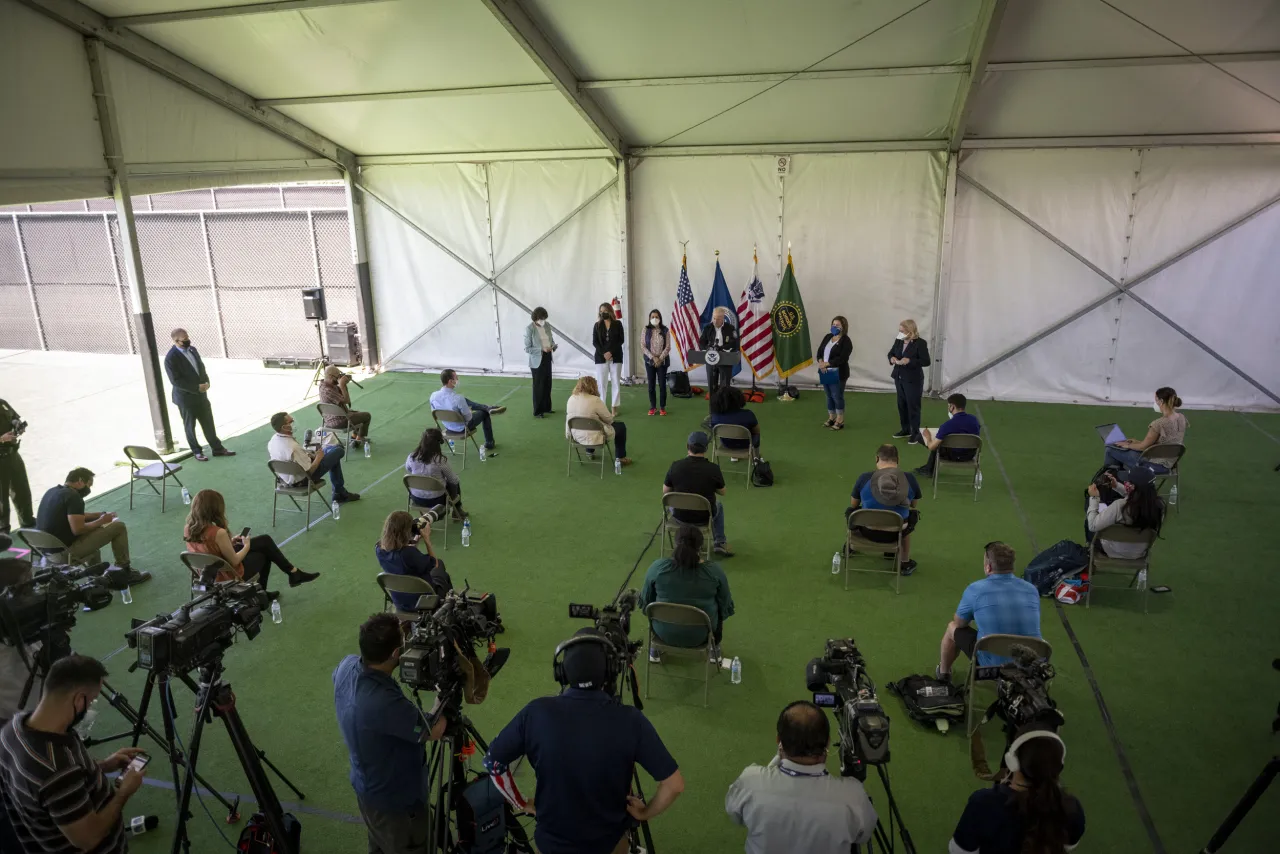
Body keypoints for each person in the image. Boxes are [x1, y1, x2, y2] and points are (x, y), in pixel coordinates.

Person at [484, 630, 685, 854]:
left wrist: (521, 802)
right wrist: (644, 812)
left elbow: (493, 762)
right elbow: (674, 785)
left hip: (550, 845)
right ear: (610, 671)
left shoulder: (535, 712)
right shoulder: (631, 720)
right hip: (609, 845)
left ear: (562, 672)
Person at [0, 654, 146, 854]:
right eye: (92, 700)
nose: (89, 707)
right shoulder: (56, 769)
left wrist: (104, 765)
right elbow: (88, 838)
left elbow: (53, 789)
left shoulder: (12, 730)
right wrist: (123, 793)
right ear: (78, 699)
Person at [333, 614, 447, 854]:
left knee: (380, 845)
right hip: (398, 804)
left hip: (368, 791)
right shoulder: (384, 704)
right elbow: (433, 730)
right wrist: (443, 698)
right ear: (396, 653)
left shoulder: (346, 666)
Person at [725, 701, 877, 854]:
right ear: (828, 742)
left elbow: (735, 815)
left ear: (779, 741)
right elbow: (863, 836)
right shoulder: (852, 795)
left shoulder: (750, 781)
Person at [950, 729, 1085, 854]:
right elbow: (1068, 846)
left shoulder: (983, 803)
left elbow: (959, 850)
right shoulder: (1072, 808)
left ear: (1012, 762)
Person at [183, 488, 318, 598]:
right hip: (227, 576)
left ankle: (293, 573)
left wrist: (230, 542)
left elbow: (209, 549)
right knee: (265, 554)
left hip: (207, 574)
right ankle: (264, 593)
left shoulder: (189, 528)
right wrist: (246, 546)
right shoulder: (218, 532)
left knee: (264, 540)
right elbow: (235, 561)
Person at [936, 542, 1041, 681]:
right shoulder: (1032, 589)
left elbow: (959, 623)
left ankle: (944, 673)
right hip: (1032, 664)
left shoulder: (976, 589)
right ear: (1012, 566)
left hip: (993, 667)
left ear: (988, 567)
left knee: (952, 627)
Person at [639, 525, 734, 663]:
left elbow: (645, 602)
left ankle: (655, 648)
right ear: (700, 547)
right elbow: (725, 606)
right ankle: (715, 649)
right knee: (718, 607)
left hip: (663, 632)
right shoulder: (714, 572)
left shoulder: (657, 568)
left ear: (676, 544)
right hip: (701, 635)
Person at [35, 468, 148, 584]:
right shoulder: (74, 497)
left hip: (46, 553)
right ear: (80, 481)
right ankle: (124, 571)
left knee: (94, 543)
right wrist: (101, 521)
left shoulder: (53, 492)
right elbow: (78, 529)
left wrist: (99, 515)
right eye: (89, 485)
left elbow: (74, 516)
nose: (89, 489)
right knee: (118, 527)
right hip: (63, 554)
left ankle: (96, 579)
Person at [163, 328, 235, 462]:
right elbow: (175, 381)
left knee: (208, 422)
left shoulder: (193, 350)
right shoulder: (170, 358)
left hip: (201, 395)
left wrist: (206, 382)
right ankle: (196, 451)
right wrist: (196, 388)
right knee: (190, 426)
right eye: (184, 340)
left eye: (187, 337)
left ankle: (217, 448)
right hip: (186, 399)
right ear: (175, 341)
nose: (187, 341)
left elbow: (201, 367)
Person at [847, 445, 921, 575]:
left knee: (852, 512)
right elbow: (914, 504)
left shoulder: (864, 477)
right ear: (897, 459)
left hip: (867, 530)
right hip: (896, 532)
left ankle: (850, 545)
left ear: (877, 458)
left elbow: (853, 503)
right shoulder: (909, 478)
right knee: (911, 515)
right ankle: (904, 561)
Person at [664, 431, 733, 556]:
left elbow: (665, 491)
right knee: (719, 505)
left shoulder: (675, 466)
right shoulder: (713, 469)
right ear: (706, 448)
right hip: (704, 517)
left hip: (679, 516)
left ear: (687, 446)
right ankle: (720, 542)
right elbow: (723, 492)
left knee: (672, 503)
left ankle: (682, 541)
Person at [267, 411, 360, 503]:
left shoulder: (273, 441)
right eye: (290, 422)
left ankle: (339, 492)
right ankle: (339, 492)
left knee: (331, 452)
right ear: (284, 427)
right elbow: (309, 471)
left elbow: (291, 459)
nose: (293, 423)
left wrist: (309, 455)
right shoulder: (292, 447)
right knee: (338, 450)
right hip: (304, 480)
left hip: (286, 479)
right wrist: (318, 457)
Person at [374, 511, 453, 611]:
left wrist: (416, 538)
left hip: (400, 601)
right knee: (440, 567)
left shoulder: (379, 549)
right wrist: (427, 539)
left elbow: (403, 555)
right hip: (423, 601)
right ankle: (449, 606)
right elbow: (434, 563)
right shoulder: (409, 554)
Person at [1086, 466, 1164, 558]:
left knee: (1089, 517)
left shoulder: (1120, 506)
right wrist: (1117, 486)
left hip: (1113, 550)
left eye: (1129, 481)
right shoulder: (1159, 506)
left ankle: (1088, 554)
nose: (1126, 482)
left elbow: (1092, 525)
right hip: (1139, 553)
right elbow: (1138, 498)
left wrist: (1094, 498)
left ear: (1134, 487)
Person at [1104, 386, 1187, 472]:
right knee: (1124, 450)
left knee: (1110, 449)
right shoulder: (1182, 418)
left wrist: (1127, 446)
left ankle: (1109, 480)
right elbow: (1167, 442)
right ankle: (1119, 480)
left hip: (1154, 464)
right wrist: (1137, 442)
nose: (1155, 403)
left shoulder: (1158, 424)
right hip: (1171, 463)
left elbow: (1143, 448)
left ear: (1161, 401)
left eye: (1156, 400)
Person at [429, 369, 506, 453]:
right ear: (451, 381)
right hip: (462, 428)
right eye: (456, 378)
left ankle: (488, 407)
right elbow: (468, 418)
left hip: (448, 427)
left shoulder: (433, 396)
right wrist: (469, 410)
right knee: (484, 413)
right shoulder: (458, 398)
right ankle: (489, 442)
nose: (458, 380)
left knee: (463, 401)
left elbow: (435, 413)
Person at [404, 427, 468, 521]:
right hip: (437, 501)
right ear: (438, 443)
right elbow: (453, 480)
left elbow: (408, 469)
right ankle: (457, 509)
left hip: (416, 498)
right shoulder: (440, 460)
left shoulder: (412, 456)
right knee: (454, 481)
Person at [566, 376, 631, 467]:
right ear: (593, 386)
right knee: (620, 426)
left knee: (588, 424)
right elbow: (609, 419)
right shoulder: (595, 400)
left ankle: (589, 451)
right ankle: (620, 458)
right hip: (594, 435)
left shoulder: (571, 398)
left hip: (575, 435)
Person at [914, 393, 981, 477]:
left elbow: (931, 447)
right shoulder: (974, 420)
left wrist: (928, 437)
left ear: (952, 406)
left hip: (952, 456)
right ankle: (928, 468)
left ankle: (928, 470)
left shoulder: (947, 425)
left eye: (949, 406)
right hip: (969, 455)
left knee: (927, 440)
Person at [887, 318, 930, 444]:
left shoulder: (920, 343)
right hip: (899, 377)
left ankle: (915, 432)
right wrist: (892, 358)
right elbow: (890, 353)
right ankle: (905, 429)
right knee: (902, 405)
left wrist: (909, 361)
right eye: (899, 330)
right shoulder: (899, 340)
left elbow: (926, 361)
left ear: (910, 331)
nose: (900, 333)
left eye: (902, 331)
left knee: (913, 406)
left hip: (913, 380)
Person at [0, 398, 34, 534]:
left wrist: (17, 424)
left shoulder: (2, 403)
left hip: (13, 454)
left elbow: (13, 417)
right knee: (1, 499)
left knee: (22, 490)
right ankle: (3, 531)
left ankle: (28, 522)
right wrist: (1, 438)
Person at [814, 316, 853, 430]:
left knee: (837, 396)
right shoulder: (828, 337)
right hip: (824, 371)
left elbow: (843, 358)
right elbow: (820, 352)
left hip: (838, 373)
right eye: (833, 325)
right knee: (829, 396)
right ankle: (831, 417)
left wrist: (828, 363)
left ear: (843, 327)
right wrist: (821, 362)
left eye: (837, 325)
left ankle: (840, 419)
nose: (834, 327)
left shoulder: (846, 340)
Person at [318, 365, 371, 445]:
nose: (338, 378)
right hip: (340, 421)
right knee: (366, 416)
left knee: (357, 413)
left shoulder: (324, 385)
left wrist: (343, 384)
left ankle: (354, 437)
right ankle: (358, 440)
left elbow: (342, 394)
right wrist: (342, 384)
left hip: (329, 420)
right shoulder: (328, 390)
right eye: (337, 376)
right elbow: (346, 400)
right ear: (330, 376)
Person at [524, 306, 558, 418]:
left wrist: (553, 345)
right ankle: (538, 411)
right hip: (537, 359)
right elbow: (527, 348)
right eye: (541, 318)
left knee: (548, 384)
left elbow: (550, 339)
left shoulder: (547, 325)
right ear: (536, 318)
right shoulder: (530, 329)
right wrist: (541, 349)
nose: (543, 320)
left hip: (547, 356)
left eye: (544, 318)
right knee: (539, 385)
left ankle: (547, 407)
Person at [709, 385, 760, 459]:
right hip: (746, 444)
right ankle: (756, 458)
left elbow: (713, 430)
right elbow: (757, 431)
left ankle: (734, 456)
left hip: (726, 444)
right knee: (757, 435)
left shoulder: (715, 416)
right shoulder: (748, 414)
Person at [699, 306, 740, 398]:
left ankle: (724, 407)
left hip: (725, 359)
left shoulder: (730, 328)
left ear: (723, 318)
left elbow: (735, 343)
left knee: (725, 387)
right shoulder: (708, 328)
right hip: (711, 359)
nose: (715, 320)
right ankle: (712, 409)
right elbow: (701, 342)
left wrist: (722, 348)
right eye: (714, 318)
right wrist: (708, 348)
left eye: (718, 318)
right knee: (711, 386)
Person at [592, 302, 624, 409]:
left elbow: (621, 340)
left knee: (615, 382)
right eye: (601, 311)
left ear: (610, 311)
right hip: (601, 358)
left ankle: (615, 406)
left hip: (616, 357)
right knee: (601, 383)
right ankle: (602, 407)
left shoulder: (618, 324)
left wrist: (611, 352)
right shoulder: (597, 325)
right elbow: (595, 342)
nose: (603, 313)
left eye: (605, 311)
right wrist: (604, 353)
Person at [643, 309, 671, 416]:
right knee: (651, 385)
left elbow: (668, 347)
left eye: (656, 316)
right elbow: (643, 346)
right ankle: (653, 407)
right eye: (652, 317)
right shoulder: (645, 330)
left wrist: (660, 358)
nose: (654, 319)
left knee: (662, 385)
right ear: (649, 319)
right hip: (650, 361)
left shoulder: (665, 330)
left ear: (660, 318)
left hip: (662, 362)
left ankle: (662, 407)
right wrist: (653, 358)